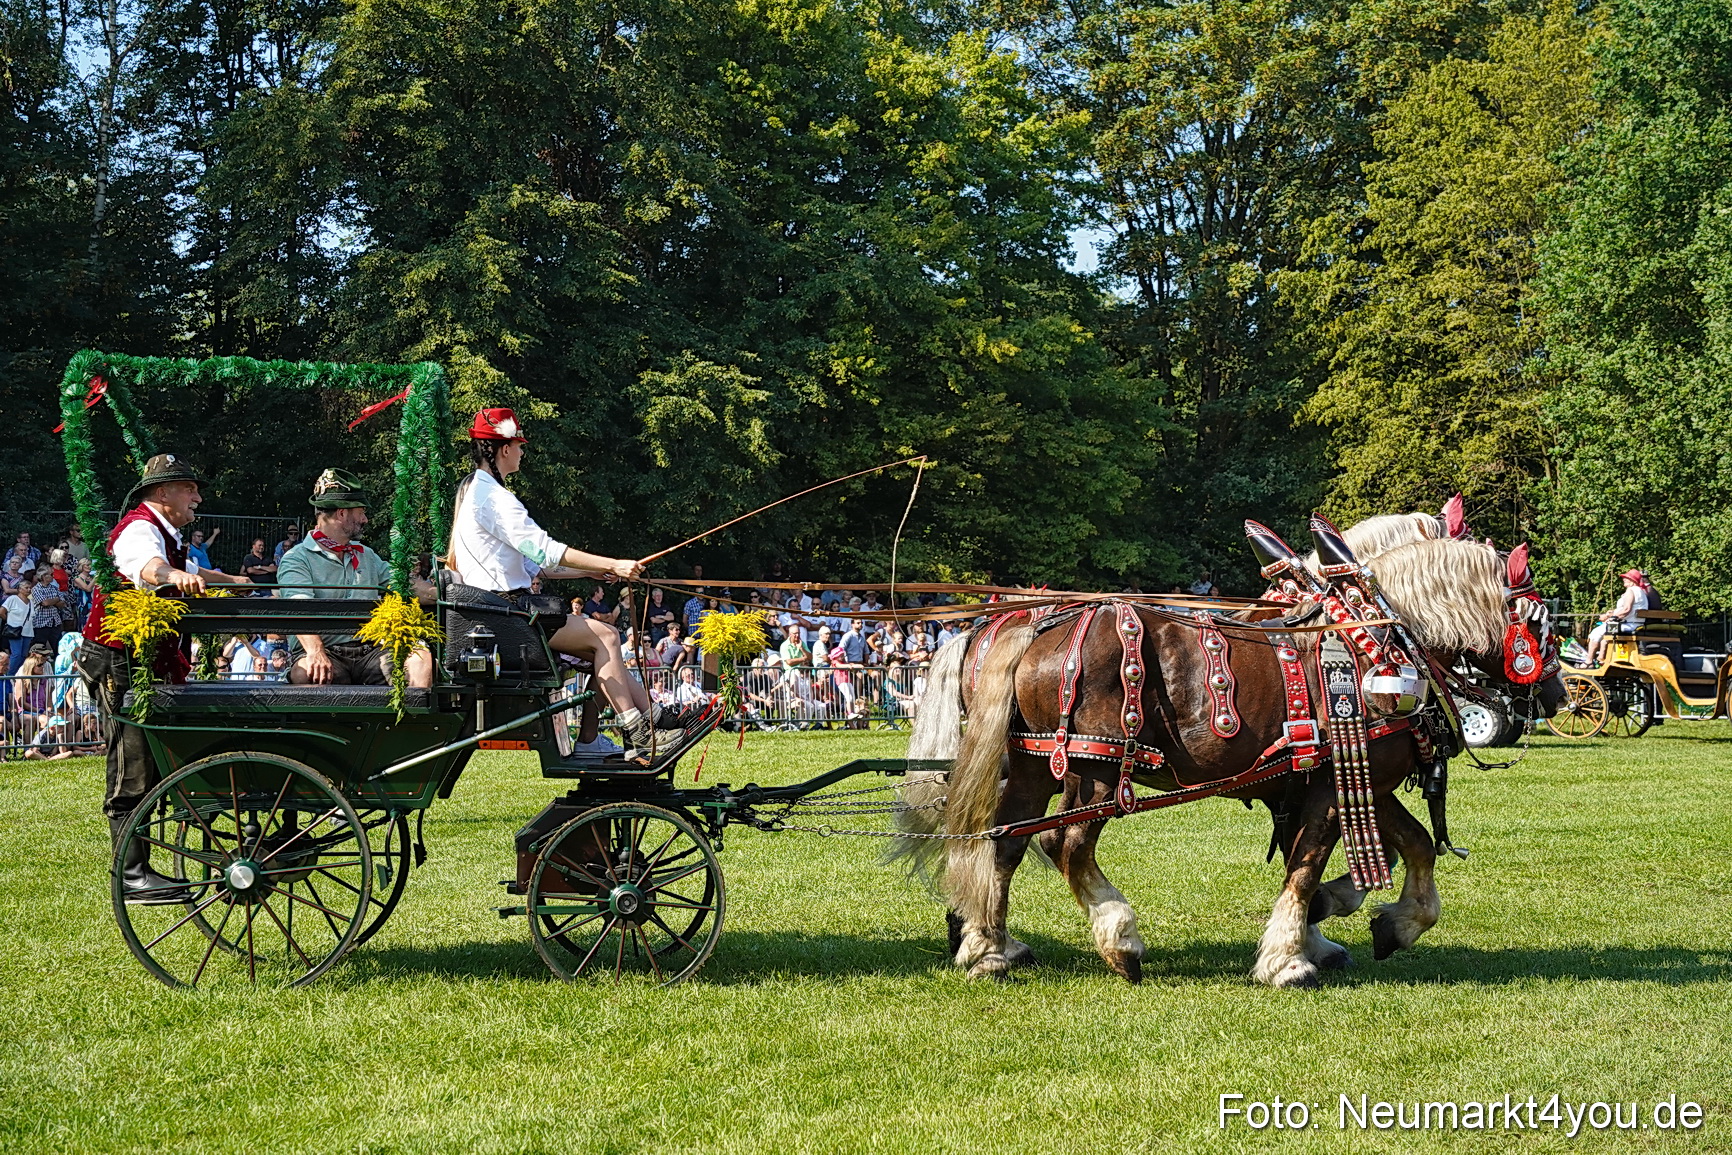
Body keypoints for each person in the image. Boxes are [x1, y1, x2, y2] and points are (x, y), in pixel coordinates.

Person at [446, 408, 704, 754]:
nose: (523, 452)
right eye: (519, 445)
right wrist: (614, 562)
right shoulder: (495, 499)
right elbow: (546, 551)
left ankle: (649, 721)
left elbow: (534, 564)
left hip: (501, 613)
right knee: (607, 636)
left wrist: (588, 571)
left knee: (601, 644)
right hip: (508, 617)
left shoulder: (478, 494)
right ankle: (638, 730)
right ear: (503, 449)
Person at [73, 453, 252, 904]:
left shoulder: (164, 531)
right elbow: (148, 569)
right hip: (119, 660)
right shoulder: (139, 528)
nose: (197, 497)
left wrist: (228, 578)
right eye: (189, 488)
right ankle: (132, 876)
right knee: (132, 764)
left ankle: (139, 869)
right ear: (161, 493)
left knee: (149, 761)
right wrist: (171, 575)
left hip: (140, 659)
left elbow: (188, 573)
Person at [277, 469, 435, 689]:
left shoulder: (366, 554)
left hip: (371, 653)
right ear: (342, 514)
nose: (365, 519)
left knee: (420, 660)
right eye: (361, 512)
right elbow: (298, 608)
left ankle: (413, 723)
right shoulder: (297, 558)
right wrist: (315, 651)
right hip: (325, 652)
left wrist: (440, 593)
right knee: (308, 672)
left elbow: (404, 584)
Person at [1587, 568, 1656, 666]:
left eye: (1626, 578)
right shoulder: (1640, 591)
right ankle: (1601, 658)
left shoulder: (1631, 590)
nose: (1624, 579)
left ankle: (1588, 661)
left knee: (1596, 632)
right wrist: (1613, 612)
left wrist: (1608, 616)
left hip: (1628, 625)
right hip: (1635, 624)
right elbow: (1630, 609)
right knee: (1604, 633)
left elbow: (1626, 610)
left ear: (1632, 581)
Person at [3, 576, 33, 671]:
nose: (29, 590)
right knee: (16, 654)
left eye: (30, 588)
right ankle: (9, 674)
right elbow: (1, 611)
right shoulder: (13, 599)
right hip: (14, 630)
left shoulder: (31, 601)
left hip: (28, 631)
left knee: (24, 655)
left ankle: (18, 674)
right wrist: (10, 621)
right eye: (26, 588)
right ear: (20, 589)